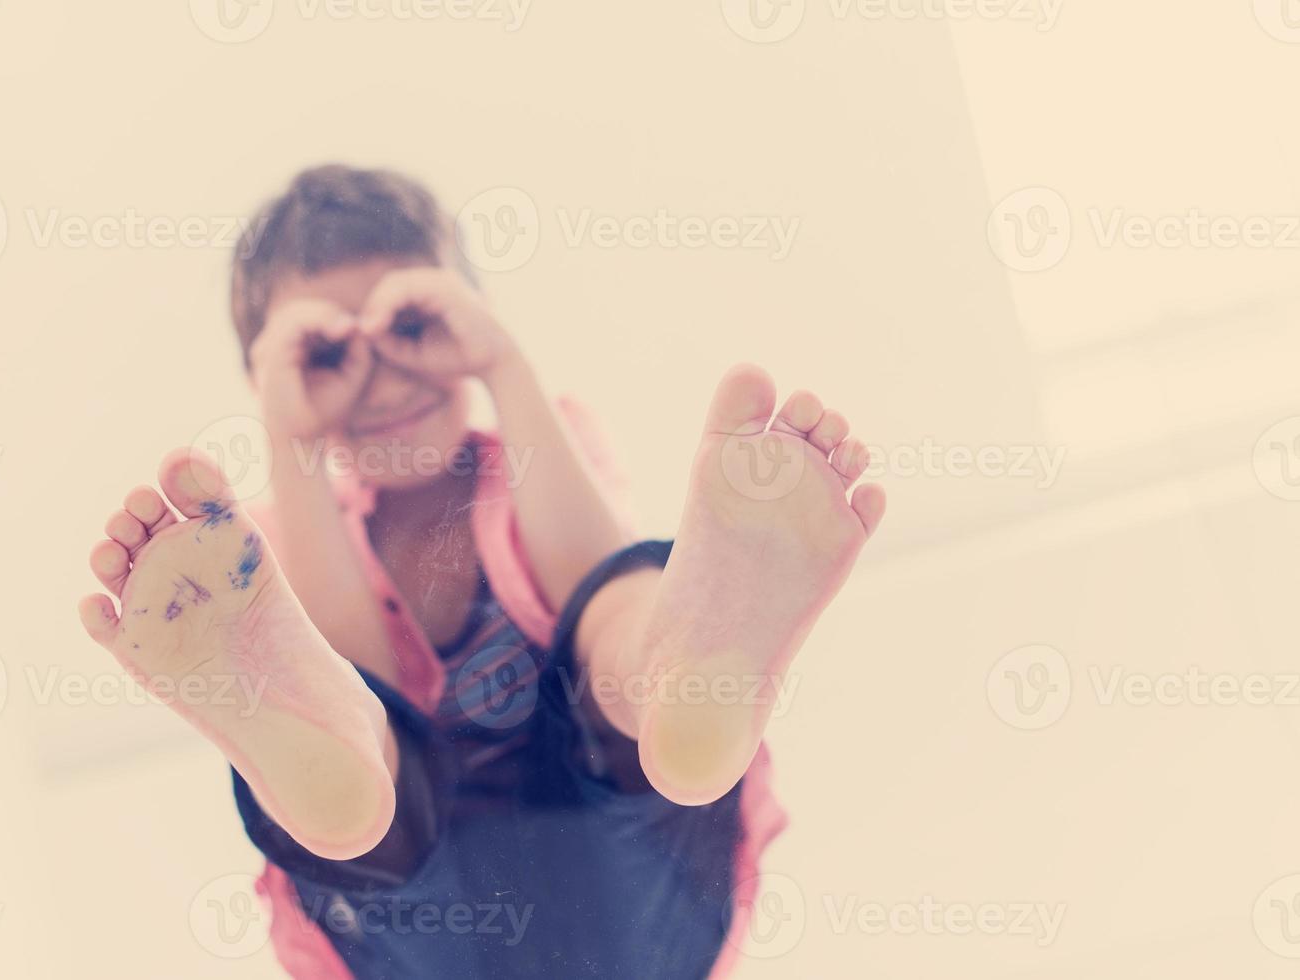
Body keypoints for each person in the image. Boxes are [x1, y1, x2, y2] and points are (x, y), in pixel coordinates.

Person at [77, 165, 886, 979]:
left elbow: (587, 576)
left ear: (469, 318)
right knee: (357, 733)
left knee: (609, 614)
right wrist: (290, 437)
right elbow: (360, 662)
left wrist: (503, 364)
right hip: (420, 926)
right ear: (270, 380)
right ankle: (348, 760)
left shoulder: (542, 457)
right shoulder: (268, 547)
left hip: (633, 873)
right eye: (327, 354)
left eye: (414, 325)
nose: (384, 378)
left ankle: (672, 675)